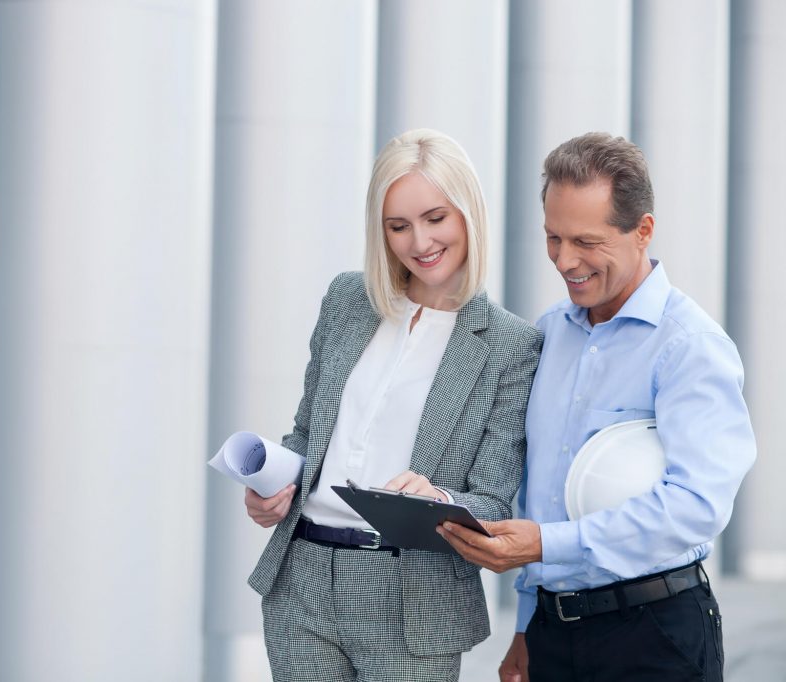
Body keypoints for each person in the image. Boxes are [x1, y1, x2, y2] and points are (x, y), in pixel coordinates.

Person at [438, 132, 757, 682]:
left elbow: (696, 505)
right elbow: (541, 491)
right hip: (552, 634)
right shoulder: (549, 333)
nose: (565, 261)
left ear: (643, 231)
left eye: (586, 241)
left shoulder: (690, 346)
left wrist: (546, 544)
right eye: (553, 238)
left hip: (654, 637)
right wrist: (526, 624)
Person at [243, 128, 542, 682]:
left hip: (414, 596)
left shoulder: (511, 345)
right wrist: (273, 488)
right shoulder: (347, 300)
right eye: (398, 226)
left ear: (468, 214)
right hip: (302, 579)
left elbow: (493, 501)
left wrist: (438, 499)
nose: (419, 241)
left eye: (435, 218)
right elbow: (307, 432)